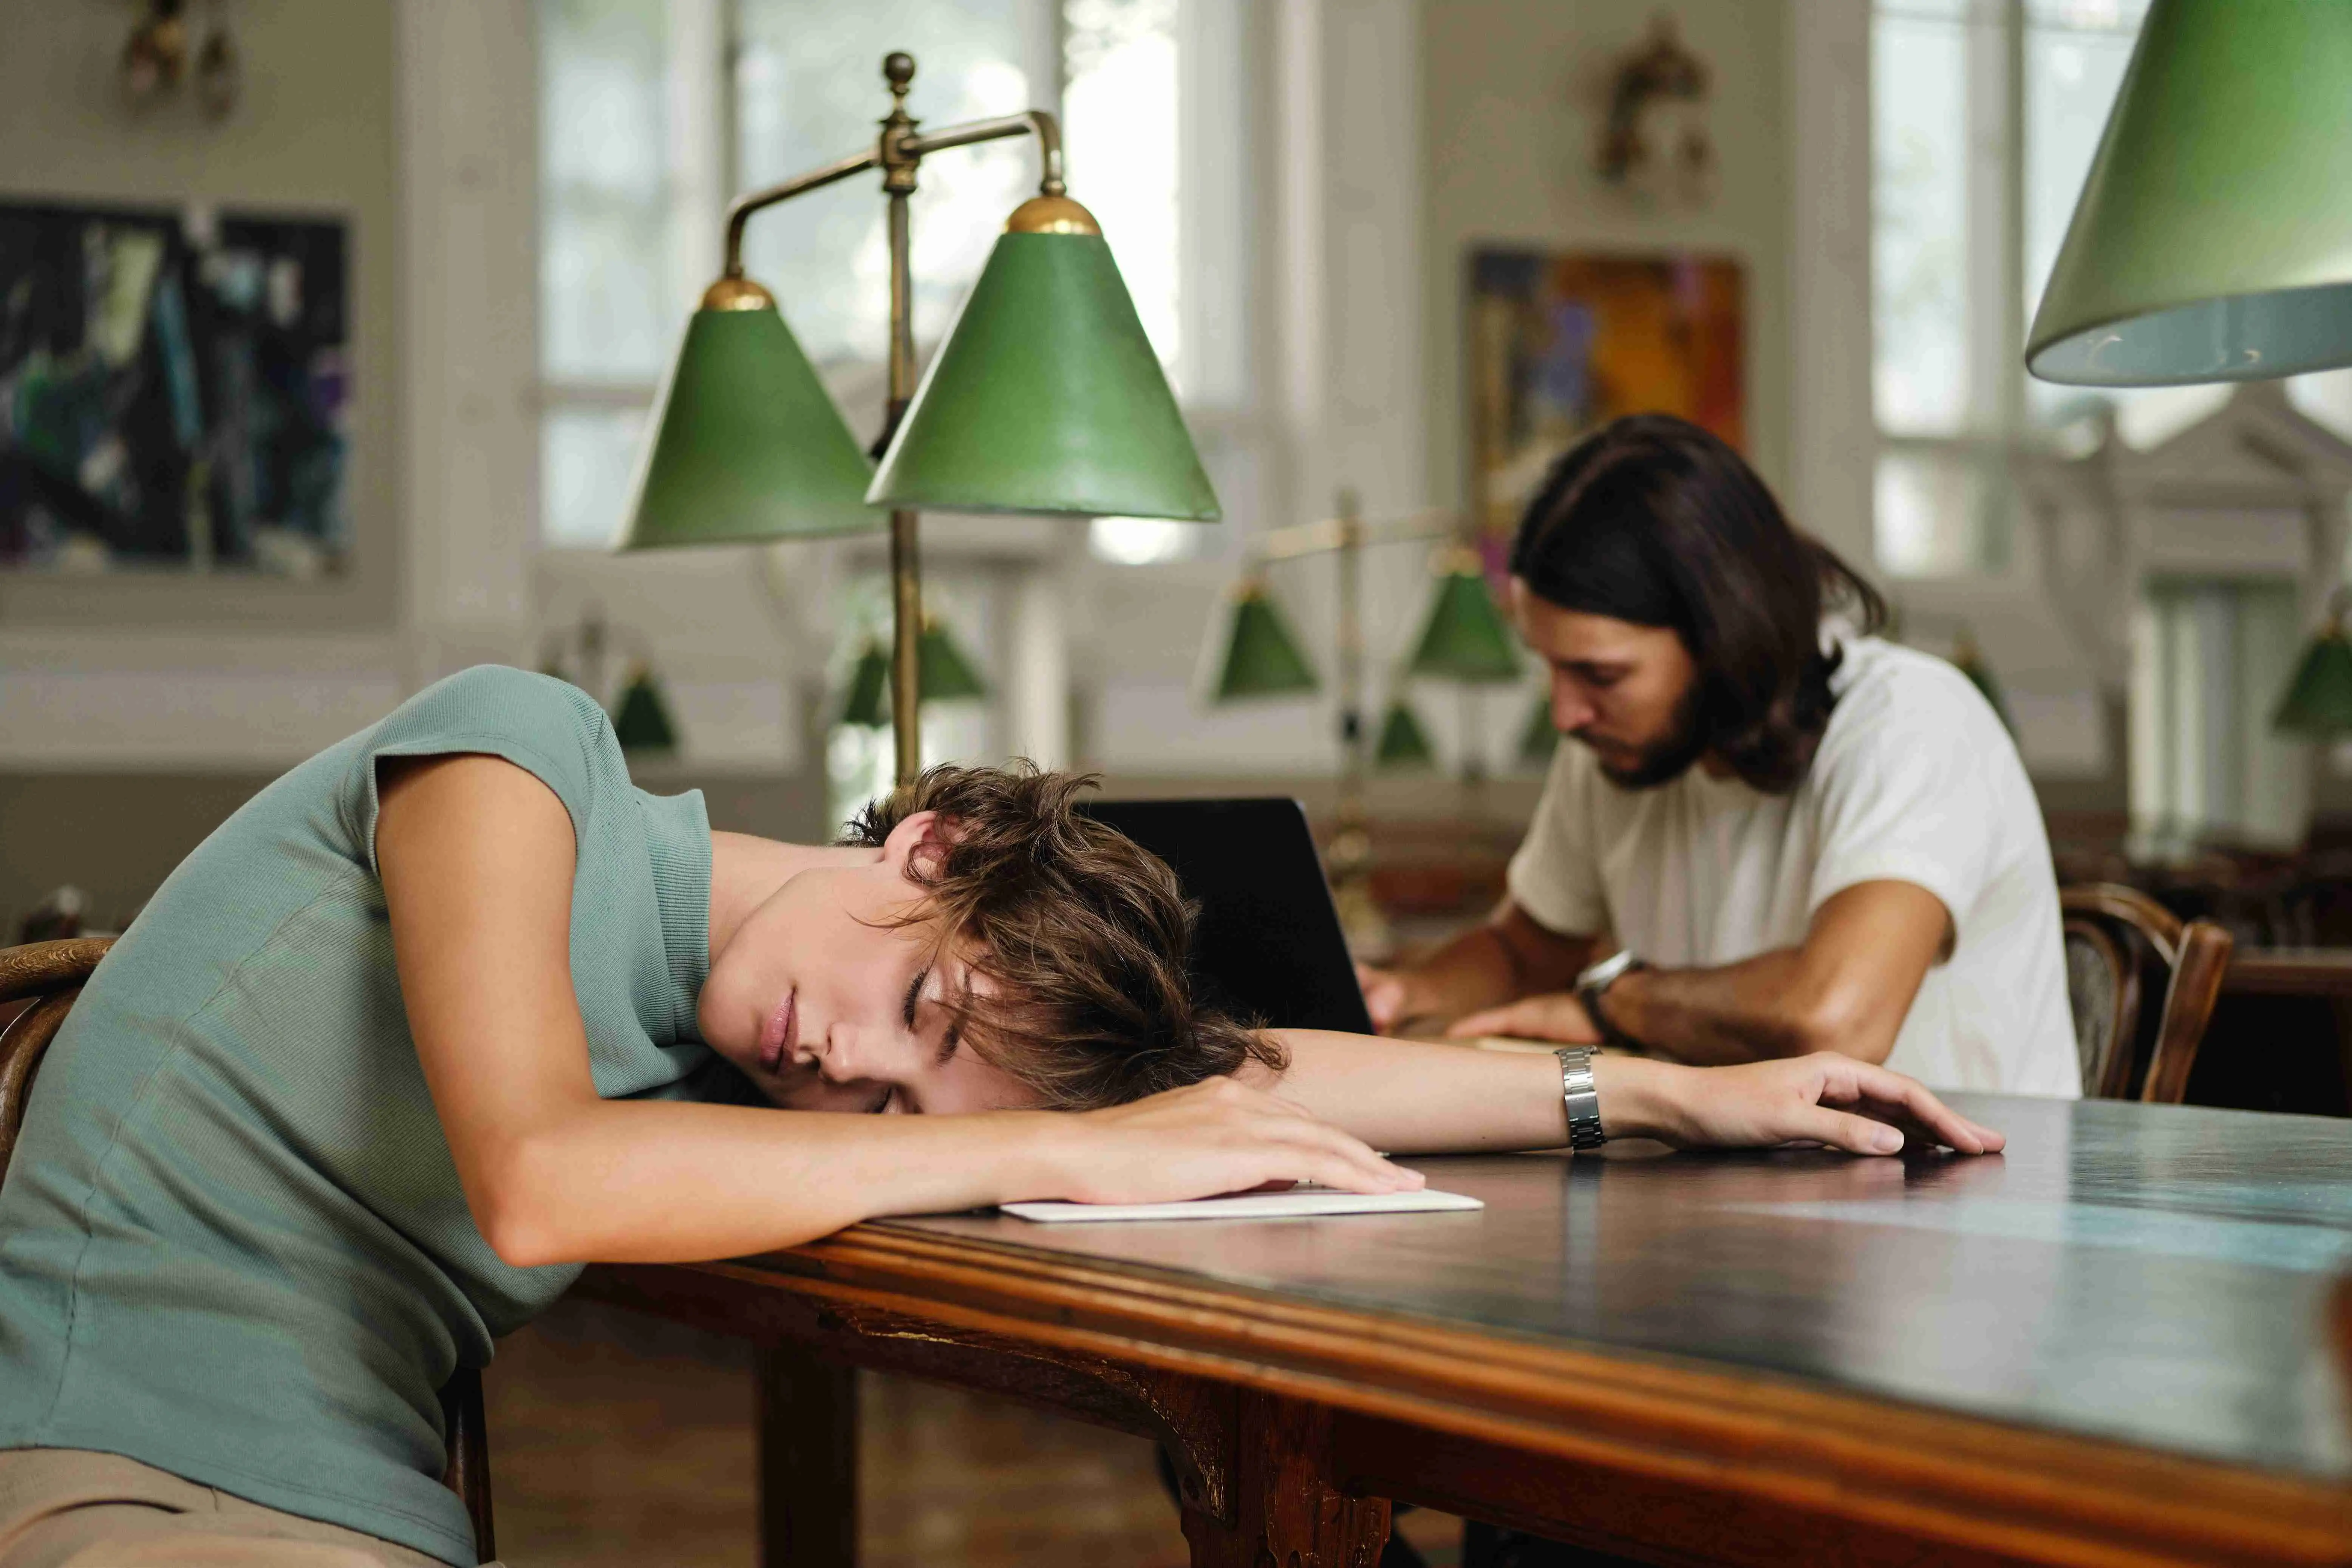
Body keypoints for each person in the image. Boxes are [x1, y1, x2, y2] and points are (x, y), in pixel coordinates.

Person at [0, 665, 2001, 1568]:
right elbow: (538, 1176)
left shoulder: (750, 1056)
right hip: (113, 1474)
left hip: (360, 1510)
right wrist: (1047, 1143)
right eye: (919, 1004)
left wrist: (1649, 1086)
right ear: (930, 836)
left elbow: (1257, 1074)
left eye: (894, 1083)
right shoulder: (520, 758)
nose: (841, 1061)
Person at [1359, 414, 2078, 1098]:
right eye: (1549, 666)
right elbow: (1523, 952)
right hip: (1763, 1188)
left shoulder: (1915, 721)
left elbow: (1835, 1020)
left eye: (1602, 675)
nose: (1564, 713)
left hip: (1967, 1203)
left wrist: (1618, 1003)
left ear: (1722, 636)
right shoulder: (1615, 752)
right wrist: (1408, 992)